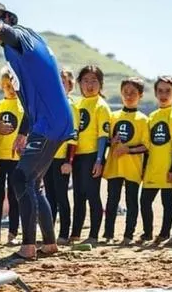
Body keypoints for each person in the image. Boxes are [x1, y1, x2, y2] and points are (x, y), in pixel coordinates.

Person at [0, 1, 73, 260]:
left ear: (4, 17)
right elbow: (29, 98)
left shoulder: (22, 36)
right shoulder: (16, 53)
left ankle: (27, 247)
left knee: (19, 179)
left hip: (50, 121)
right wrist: (24, 132)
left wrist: (0, 26)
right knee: (34, 185)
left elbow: (11, 33)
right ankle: (49, 244)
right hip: (47, 120)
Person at [102, 77, 149, 245]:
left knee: (131, 201)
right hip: (114, 165)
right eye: (126, 93)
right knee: (112, 200)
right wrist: (111, 142)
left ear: (140, 95)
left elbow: (146, 146)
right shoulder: (113, 116)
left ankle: (128, 235)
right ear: (121, 94)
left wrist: (128, 149)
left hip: (133, 168)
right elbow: (104, 139)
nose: (129, 96)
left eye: (133, 93)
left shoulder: (144, 119)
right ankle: (108, 234)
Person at [70, 65, 111, 246]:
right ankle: (75, 233)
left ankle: (94, 235)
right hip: (77, 155)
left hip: (93, 155)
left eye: (94, 81)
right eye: (86, 80)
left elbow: (103, 136)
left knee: (92, 194)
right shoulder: (77, 104)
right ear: (79, 83)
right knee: (78, 195)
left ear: (100, 84)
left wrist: (99, 160)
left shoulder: (101, 106)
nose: (90, 85)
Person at [138, 76, 172, 245]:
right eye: (160, 91)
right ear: (155, 93)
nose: (163, 94)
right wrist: (144, 168)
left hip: (168, 168)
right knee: (144, 201)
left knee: (167, 203)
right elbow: (147, 146)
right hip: (152, 169)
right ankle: (147, 233)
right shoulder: (152, 116)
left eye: (168, 91)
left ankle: (164, 233)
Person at [43, 68, 79, 245]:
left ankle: (64, 233)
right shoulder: (49, 105)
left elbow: (73, 136)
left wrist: (68, 161)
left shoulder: (71, 106)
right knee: (49, 197)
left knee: (61, 196)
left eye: (63, 82)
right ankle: (49, 234)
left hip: (62, 160)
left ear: (70, 85)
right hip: (48, 157)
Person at [0, 66, 23, 245]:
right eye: (6, 86)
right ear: (1, 86)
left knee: (14, 196)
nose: (10, 89)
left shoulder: (23, 108)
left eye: (13, 85)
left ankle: (12, 233)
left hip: (16, 159)